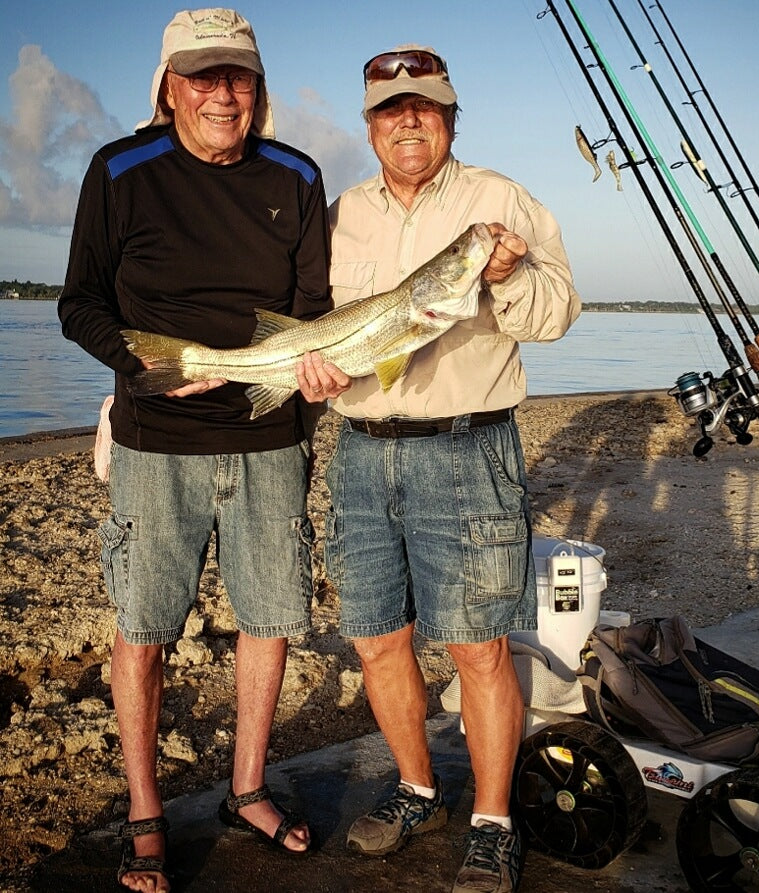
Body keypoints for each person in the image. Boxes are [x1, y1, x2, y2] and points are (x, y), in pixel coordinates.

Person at [58, 9, 347, 891]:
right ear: (169, 87)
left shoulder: (296, 175)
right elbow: (79, 303)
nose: (224, 94)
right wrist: (137, 369)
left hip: (270, 439)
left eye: (240, 78)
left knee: (268, 617)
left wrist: (320, 369)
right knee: (143, 628)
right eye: (204, 76)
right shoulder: (119, 169)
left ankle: (247, 786)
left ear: (258, 91)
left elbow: (313, 312)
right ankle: (145, 813)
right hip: (155, 443)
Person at [299, 45, 581, 893]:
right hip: (359, 453)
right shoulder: (339, 213)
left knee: (478, 647)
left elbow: (559, 310)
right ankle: (418, 786)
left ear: (451, 115)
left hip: (469, 444)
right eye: (391, 109)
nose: (409, 120)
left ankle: (493, 822)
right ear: (371, 123)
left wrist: (510, 274)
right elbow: (318, 328)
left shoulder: (500, 202)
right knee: (378, 638)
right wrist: (312, 369)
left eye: (425, 105)